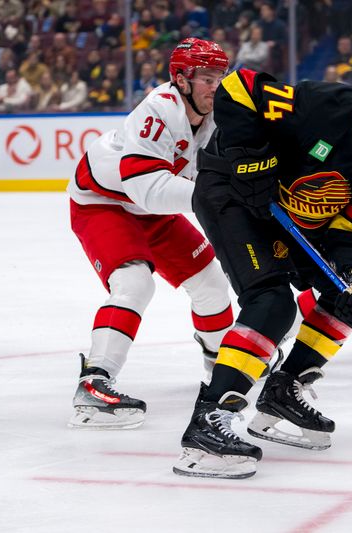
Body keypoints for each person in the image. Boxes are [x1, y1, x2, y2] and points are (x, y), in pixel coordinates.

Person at [172, 58, 352, 479]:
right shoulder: (324, 104)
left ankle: (283, 388)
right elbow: (239, 87)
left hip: (292, 217)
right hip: (231, 194)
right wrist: (250, 158)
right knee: (272, 301)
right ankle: (209, 418)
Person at [66, 38, 233, 430]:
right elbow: (149, 190)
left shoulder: (216, 117)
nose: (216, 86)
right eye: (206, 78)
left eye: (219, 77)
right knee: (134, 282)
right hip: (102, 203)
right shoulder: (159, 110)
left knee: (211, 284)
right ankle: (94, 382)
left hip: (149, 208)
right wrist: (222, 199)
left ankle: (223, 369)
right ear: (181, 79)